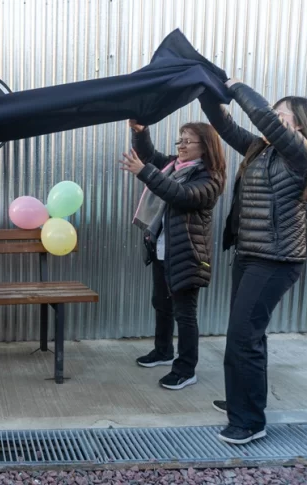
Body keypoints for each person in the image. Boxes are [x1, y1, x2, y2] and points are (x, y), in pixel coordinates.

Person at [199, 80, 307, 444]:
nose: (273, 118)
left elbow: (261, 117)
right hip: (250, 254)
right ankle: (243, 400)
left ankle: (249, 420)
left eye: (282, 113)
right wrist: (207, 89)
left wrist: (237, 87)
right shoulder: (261, 151)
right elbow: (226, 126)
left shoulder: (301, 155)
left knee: (242, 337)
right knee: (248, 336)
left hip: (277, 260)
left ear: (299, 124)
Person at [119, 120, 226, 391]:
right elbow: (149, 158)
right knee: (161, 304)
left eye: (188, 141)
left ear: (206, 147)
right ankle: (163, 351)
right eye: (180, 140)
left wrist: (145, 173)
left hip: (188, 254)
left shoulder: (209, 178)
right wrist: (140, 132)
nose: (181, 145)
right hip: (162, 249)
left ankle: (186, 369)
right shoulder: (171, 167)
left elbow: (181, 196)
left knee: (185, 314)